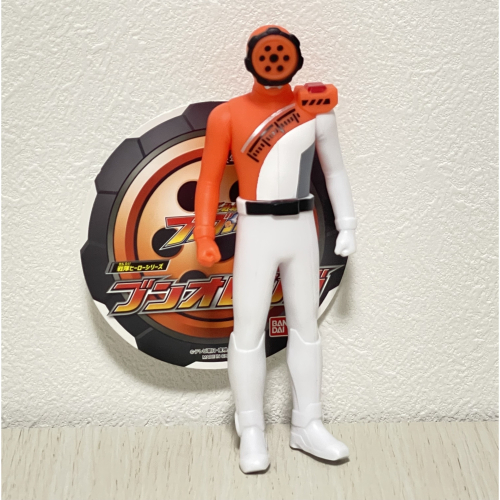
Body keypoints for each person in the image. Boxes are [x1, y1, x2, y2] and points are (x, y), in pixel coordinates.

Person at [194, 25, 356, 473]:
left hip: (302, 227)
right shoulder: (227, 115)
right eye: (266, 54)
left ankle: (308, 424)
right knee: (248, 330)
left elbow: (335, 172)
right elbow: (208, 180)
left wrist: (347, 224)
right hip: (255, 229)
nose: (274, 60)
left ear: (296, 59)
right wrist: (204, 235)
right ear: (250, 59)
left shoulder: (316, 109)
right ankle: (251, 428)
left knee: (306, 326)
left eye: (282, 53)